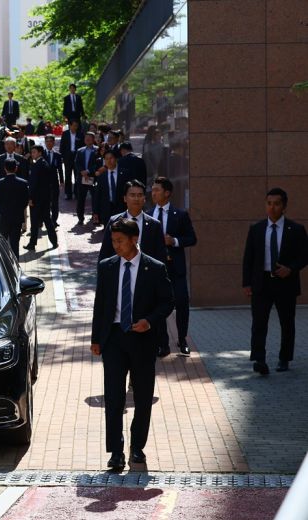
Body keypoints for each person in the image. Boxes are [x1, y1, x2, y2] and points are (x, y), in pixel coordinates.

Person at [91, 218, 174, 471]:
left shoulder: (155, 268)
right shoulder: (107, 267)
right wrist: (96, 338)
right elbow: (100, 305)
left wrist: (149, 321)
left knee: (142, 396)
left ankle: (137, 447)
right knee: (114, 397)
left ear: (134, 239)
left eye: (120, 241)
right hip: (114, 338)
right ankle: (116, 451)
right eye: (113, 241)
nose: (115, 246)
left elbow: (167, 303)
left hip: (142, 339)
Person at [243, 188, 308, 375]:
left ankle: (284, 358)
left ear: (284, 206)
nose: (272, 207)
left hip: (285, 283)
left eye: (277, 203)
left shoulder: (295, 230)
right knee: (259, 323)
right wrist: (246, 283)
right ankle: (259, 359)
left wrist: (291, 268)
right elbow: (249, 257)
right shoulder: (256, 229)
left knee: (287, 323)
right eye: (269, 203)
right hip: (261, 283)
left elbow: (305, 255)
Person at [151, 177, 197, 357]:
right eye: (152, 190)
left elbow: (192, 239)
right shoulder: (148, 215)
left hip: (176, 269)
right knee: (159, 307)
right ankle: (163, 344)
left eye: (157, 190)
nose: (153, 193)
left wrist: (174, 241)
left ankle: (182, 339)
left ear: (167, 193)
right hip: (156, 270)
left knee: (182, 304)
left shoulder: (181, 215)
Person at [98, 180, 167, 265]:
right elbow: (105, 252)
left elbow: (161, 256)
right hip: (120, 271)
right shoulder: (114, 221)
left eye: (140, 195)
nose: (136, 199)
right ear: (125, 198)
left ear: (144, 199)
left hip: (146, 272)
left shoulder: (154, 224)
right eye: (132, 195)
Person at [25, 145, 59, 251]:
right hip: (45, 198)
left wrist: (30, 197)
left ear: (40, 152)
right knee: (47, 221)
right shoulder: (45, 163)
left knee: (34, 222)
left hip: (36, 199)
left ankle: (32, 243)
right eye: (32, 152)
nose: (32, 154)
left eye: (34, 152)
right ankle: (54, 241)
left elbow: (33, 184)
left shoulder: (37, 165)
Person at [0, 158, 29, 258]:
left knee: (2, 243)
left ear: (5, 169)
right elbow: (25, 201)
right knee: (15, 244)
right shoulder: (23, 183)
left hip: (3, 217)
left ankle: (4, 265)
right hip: (17, 217)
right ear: (16, 168)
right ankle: (15, 265)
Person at [93, 149, 126, 227]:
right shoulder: (102, 176)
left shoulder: (124, 173)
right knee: (108, 232)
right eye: (106, 159)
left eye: (111, 158)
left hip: (121, 207)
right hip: (107, 208)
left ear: (116, 159)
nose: (109, 161)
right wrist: (95, 211)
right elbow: (98, 194)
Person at [73, 132, 99, 226]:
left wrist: (88, 171)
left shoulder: (97, 150)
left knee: (95, 199)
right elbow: (76, 163)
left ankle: (95, 218)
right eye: (86, 138)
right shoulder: (80, 150)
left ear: (93, 139)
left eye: (89, 138)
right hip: (82, 178)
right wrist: (82, 172)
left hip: (93, 178)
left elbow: (97, 164)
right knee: (81, 199)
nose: (87, 140)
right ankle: (80, 218)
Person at [42, 135, 64, 227]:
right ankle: (45, 220)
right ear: (45, 142)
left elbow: (60, 169)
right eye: (47, 141)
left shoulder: (57, 155)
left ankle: (54, 220)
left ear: (54, 142)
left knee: (55, 203)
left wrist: (62, 181)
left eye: (51, 141)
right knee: (45, 203)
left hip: (54, 182)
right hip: (43, 184)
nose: (49, 143)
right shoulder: (42, 154)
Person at [60, 120, 82, 200]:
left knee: (77, 175)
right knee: (68, 176)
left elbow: (82, 145)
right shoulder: (65, 134)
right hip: (68, 157)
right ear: (70, 125)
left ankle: (76, 193)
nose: (75, 127)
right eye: (74, 125)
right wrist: (62, 156)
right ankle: (67, 193)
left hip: (77, 157)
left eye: (77, 125)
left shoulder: (80, 134)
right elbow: (62, 146)